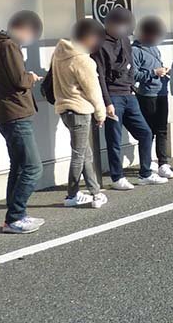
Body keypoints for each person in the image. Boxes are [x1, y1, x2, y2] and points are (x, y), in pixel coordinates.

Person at [92, 7, 168, 190]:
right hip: (112, 96)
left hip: (129, 94)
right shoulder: (100, 44)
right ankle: (117, 177)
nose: (122, 28)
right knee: (114, 138)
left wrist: (132, 85)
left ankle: (145, 173)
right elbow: (99, 75)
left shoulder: (125, 40)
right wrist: (106, 102)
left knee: (145, 132)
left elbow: (131, 68)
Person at [0, 10, 46, 234]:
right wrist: (31, 77)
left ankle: (16, 215)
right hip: (16, 113)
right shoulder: (9, 46)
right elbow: (19, 80)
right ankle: (15, 217)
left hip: (7, 113)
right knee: (33, 167)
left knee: (19, 167)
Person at [51, 18, 108, 209]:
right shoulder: (83, 60)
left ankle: (95, 191)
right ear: (88, 37)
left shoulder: (59, 54)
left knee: (85, 153)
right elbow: (93, 90)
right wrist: (100, 113)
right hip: (80, 110)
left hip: (64, 110)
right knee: (79, 154)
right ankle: (72, 194)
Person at [132, 16, 173, 179]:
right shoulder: (135, 50)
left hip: (161, 92)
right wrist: (153, 73)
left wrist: (164, 71)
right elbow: (133, 75)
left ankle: (163, 163)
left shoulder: (154, 48)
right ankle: (148, 162)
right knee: (148, 132)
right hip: (146, 95)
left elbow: (157, 67)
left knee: (162, 130)